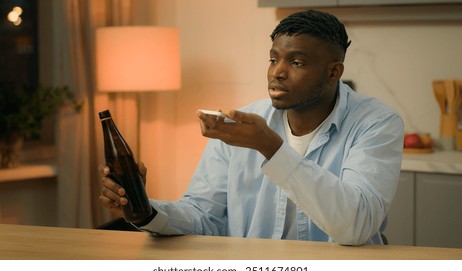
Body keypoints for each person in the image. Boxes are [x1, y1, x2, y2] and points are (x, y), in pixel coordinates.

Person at [99, 9, 404, 245]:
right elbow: (204, 216)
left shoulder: (376, 123)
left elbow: (356, 226)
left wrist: (270, 147)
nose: (278, 73)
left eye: (296, 62)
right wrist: (147, 211)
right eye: (274, 59)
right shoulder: (239, 125)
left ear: (333, 71)